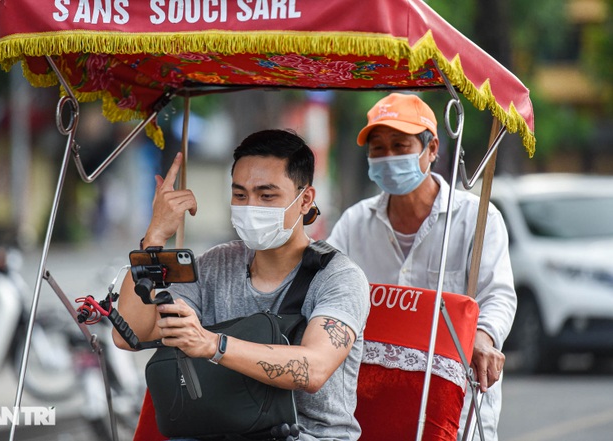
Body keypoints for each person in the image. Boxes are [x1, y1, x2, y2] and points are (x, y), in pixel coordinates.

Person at [113, 129, 371, 441]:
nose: (251, 206)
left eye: (267, 195)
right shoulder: (216, 264)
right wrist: (154, 237)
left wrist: (213, 345)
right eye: (240, 195)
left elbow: (313, 370)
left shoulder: (338, 276)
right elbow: (130, 334)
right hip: (217, 430)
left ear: (304, 200)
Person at [326, 93, 516, 441]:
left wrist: (482, 340)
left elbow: (498, 295)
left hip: (454, 399)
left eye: (400, 145)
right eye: (378, 148)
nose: (388, 157)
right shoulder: (352, 225)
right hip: (371, 401)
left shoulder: (477, 218)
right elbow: (327, 296)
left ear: (432, 150)